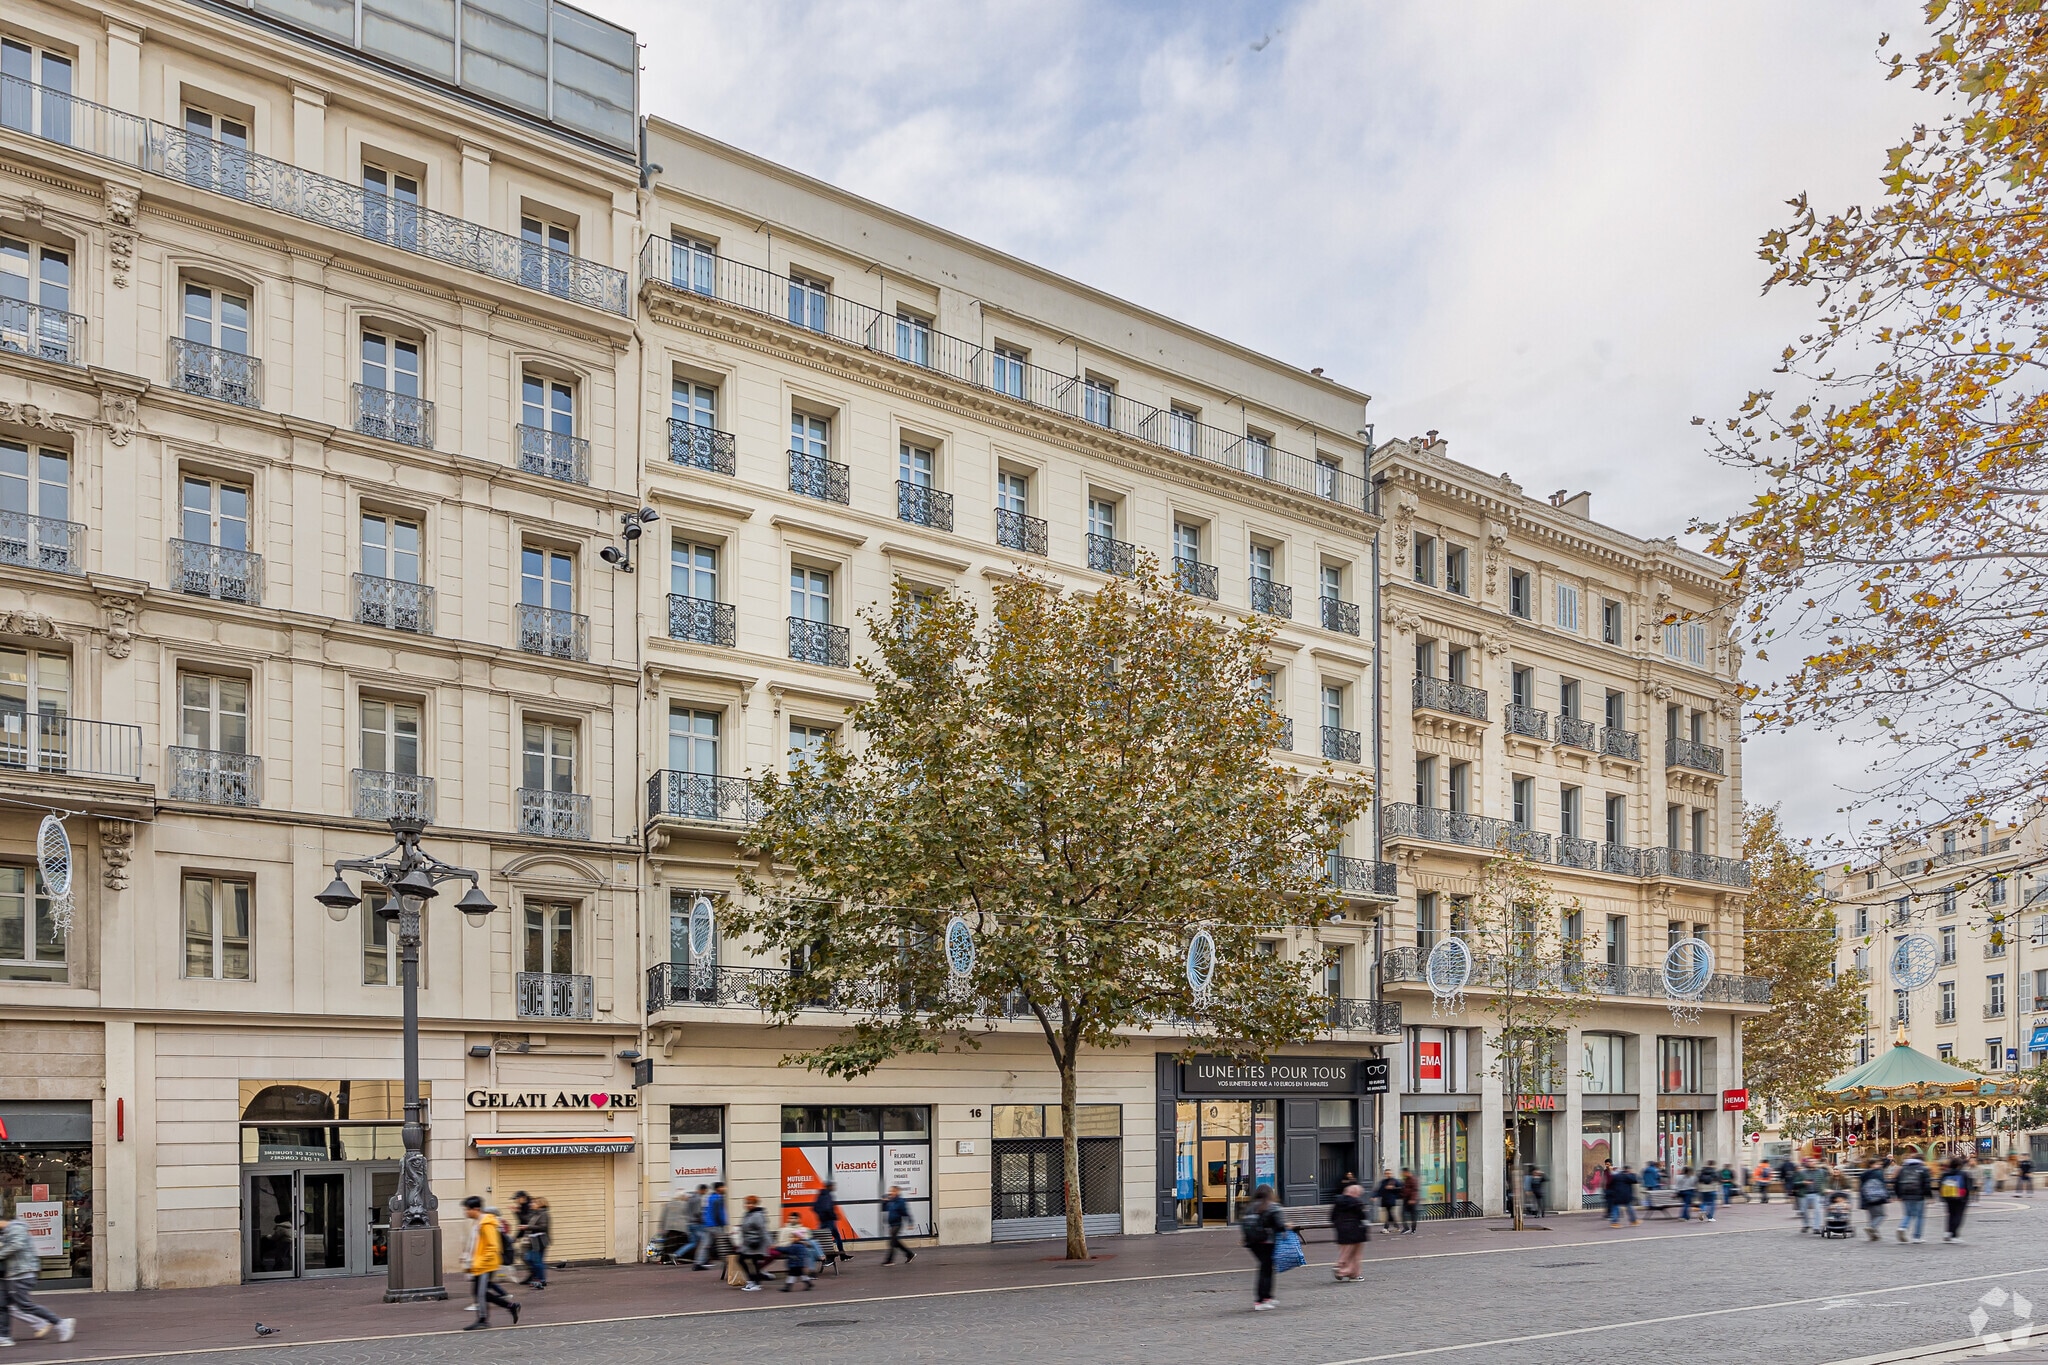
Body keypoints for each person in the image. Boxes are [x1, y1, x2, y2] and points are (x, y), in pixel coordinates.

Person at [0, 1211, 74, 1346]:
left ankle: (60, 1322)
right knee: (4, 1304)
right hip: (14, 1274)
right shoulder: (8, 1230)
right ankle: (4, 1336)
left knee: (24, 1305)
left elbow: (15, 1245)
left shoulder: (16, 1228)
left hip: (21, 1274)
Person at [460, 1196, 519, 1330]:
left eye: (467, 1209)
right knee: (481, 1293)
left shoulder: (486, 1223)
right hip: (479, 1265)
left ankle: (483, 1320)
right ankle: (511, 1306)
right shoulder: (478, 1223)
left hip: (486, 1265)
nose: (465, 1212)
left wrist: (479, 1262)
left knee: (480, 1294)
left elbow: (493, 1246)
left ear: (476, 1209)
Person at [1241, 1184, 1289, 1311]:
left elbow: (1244, 1225)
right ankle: (1262, 1299)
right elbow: (1279, 1225)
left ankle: (1266, 1297)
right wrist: (1288, 1227)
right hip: (1267, 1241)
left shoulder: (1250, 1207)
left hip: (1253, 1242)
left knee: (1264, 1267)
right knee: (1266, 1270)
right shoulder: (1272, 1207)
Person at [1330, 1181, 1369, 1281]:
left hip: (1341, 1230)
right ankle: (1351, 1273)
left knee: (1344, 1252)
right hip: (1355, 1230)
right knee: (1356, 1254)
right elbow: (1362, 1216)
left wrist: (1338, 1225)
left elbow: (1332, 1217)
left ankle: (1341, 1267)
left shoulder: (1338, 1202)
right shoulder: (1357, 1202)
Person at [1893, 1147, 1931, 1244]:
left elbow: (1896, 1182)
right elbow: (1926, 1183)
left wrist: (1898, 1195)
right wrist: (1929, 1196)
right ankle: (1916, 1237)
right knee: (1919, 1216)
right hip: (1919, 1195)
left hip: (1905, 1194)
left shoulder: (1903, 1168)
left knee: (1908, 1214)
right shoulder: (1923, 1169)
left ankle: (1902, 1227)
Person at [735, 1194, 771, 1291]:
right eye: (747, 1203)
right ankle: (753, 1282)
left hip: (756, 1244)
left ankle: (755, 1283)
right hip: (748, 1244)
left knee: (749, 1262)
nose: (748, 1205)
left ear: (755, 1204)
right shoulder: (748, 1214)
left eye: (751, 1203)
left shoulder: (757, 1215)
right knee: (746, 1262)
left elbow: (763, 1230)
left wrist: (769, 1243)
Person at [776, 1210, 816, 1291]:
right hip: (797, 1264)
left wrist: (777, 1248)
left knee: (792, 1275)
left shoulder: (796, 1246)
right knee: (801, 1275)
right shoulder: (797, 1246)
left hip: (795, 1264)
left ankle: (787, 1287)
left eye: (793, 1237)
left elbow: (786, 1249)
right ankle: (808, 1283)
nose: (791, 1239)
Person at [660, 1187, 700, 1263]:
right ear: (682, 1197)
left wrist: (661, 1227)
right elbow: (688, 1216)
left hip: (670, 1228)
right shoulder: (685, 1204)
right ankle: (680, 1258)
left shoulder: (668, 1204)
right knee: (681, 1244)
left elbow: (663, 1216)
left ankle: (667, 1259)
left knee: (670, 1245)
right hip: (681, 1227)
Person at [1940, 1156, 1975, 1243]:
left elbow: (1940, 1185)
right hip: (1960, 1198)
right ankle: (1954, 1235)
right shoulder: (1964, 1174)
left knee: (1950, 1215)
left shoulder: (1945, 1173)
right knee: (1958, 1216)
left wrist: (1943, 1197)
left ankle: (1948, 1232)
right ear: (1960, 1165)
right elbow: (1969, 1187)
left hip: (1948, 1197)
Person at [692, 1182, 727, 1270]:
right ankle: (728, 1262)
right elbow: (718, 1213)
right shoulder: (718, 1198)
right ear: (719, 1188)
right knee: (723, 1244)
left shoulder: (710, 1197)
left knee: (705, 1244)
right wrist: (723, 1222)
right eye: (723, 1187)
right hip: (716, 1225)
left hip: (708, 1224)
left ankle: (698, 1262)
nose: (725, 1189)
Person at [1858, 1157, 1892, 1242]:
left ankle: (1874, 1235)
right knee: (1881, 1215)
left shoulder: (1865, 1174)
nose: (1880, 1165)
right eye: (1878, 1164)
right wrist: (1887, 1196)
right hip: (1877, 1196)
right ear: (1872, 1165)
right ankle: (1871, 1227)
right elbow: (1882, 1185)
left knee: (1872, 1216)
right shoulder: (1878, 1173)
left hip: (1867, 1197)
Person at [812, 1181, 846, 1266]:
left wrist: (821, 1216)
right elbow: (827, 1208)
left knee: (828, 1237)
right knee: (829, 1238)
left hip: (823, 1221)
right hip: (829, 1221)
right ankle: (830, 1258)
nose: (834, 1187)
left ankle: (842, 1255)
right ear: (829, 1186)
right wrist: (833, 1216)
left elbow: (814, 1208)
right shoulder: (828, 1195)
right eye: (833, 1186)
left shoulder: (820, 1195)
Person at [881, 1185, 916, 1265]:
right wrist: (884, 1201)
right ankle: (910, 1254)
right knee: (895, 1242)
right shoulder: (891, 1201)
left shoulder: (900, 1201)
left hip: (897, 1224)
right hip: (892, 1224)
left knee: (892, 1242)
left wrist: (910, 1222)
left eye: (892, 1191)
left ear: (897, 1192)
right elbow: (884, 1209)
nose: (890, 1193)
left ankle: (890, 1260)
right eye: (890, 1191)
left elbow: (906, 1213)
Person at [523, 1197, 551, 1288]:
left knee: (537, 1261)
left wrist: (528, 1227)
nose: (531, 1204)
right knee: (529, 1258)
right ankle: (538, 1278)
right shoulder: (534, 1214)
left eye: (534, 1203)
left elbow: (543, 1227)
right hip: (533, 1240)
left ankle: (541, 1279)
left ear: (540, 1204)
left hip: (540, 1240)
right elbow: (524, 1218)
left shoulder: (544, 1214)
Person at [1793, 1158, 1825, 1233]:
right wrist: (1803, 1182)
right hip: (1804, 1194)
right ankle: (1806, 1225)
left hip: (1817, 1193)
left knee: (1817, 1210)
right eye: (1810, 1161)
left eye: (1813, 1161)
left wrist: (1823, 1190)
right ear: (1807, 1163)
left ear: (1816, 1162)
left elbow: (1824, 1182)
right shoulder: (1802, 1172)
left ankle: (1816, 1227)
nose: (1811, 1163)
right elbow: (1795, 1182)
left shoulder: (1821, 1172)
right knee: (1804, 1211)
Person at [1399, 1168, 1420, 1235]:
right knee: (1402, 1214)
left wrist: (1413, 1199)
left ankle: (1413, 1229)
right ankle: (1406, 1228)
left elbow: (1415, 1190)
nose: (1402, 1174)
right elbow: (1404, 1189)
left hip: (1412, 1201)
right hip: (1406, 1200)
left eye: (1403, 1173)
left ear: (1407, 1172)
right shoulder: (1406, 1179)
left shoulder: (1413, 1179)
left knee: (1413, 1216)